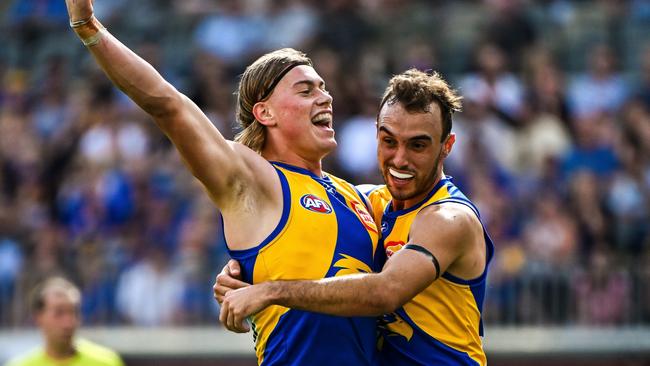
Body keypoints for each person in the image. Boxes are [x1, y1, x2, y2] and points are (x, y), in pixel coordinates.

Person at [62, 1, 382, 365]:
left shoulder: (356, 196)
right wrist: (90, 29)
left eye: (323, 88)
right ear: (265, 112)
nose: (325, 97)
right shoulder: (251, 178)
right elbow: (169, 104)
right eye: (306, 90)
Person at [217, 69, 495, 366]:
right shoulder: (370, 204)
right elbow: (305, 227)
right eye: (389, 142)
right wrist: (245, 269)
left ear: (446, 146)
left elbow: (386, 291)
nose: (400, 159)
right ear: (376, 133)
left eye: (418, 145)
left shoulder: (449, 218)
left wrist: (270, 291)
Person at [5, 277, 124, 366]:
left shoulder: (106, 362)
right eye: (59, 313)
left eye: (74, 312)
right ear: (38, 318)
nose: (68, 323)